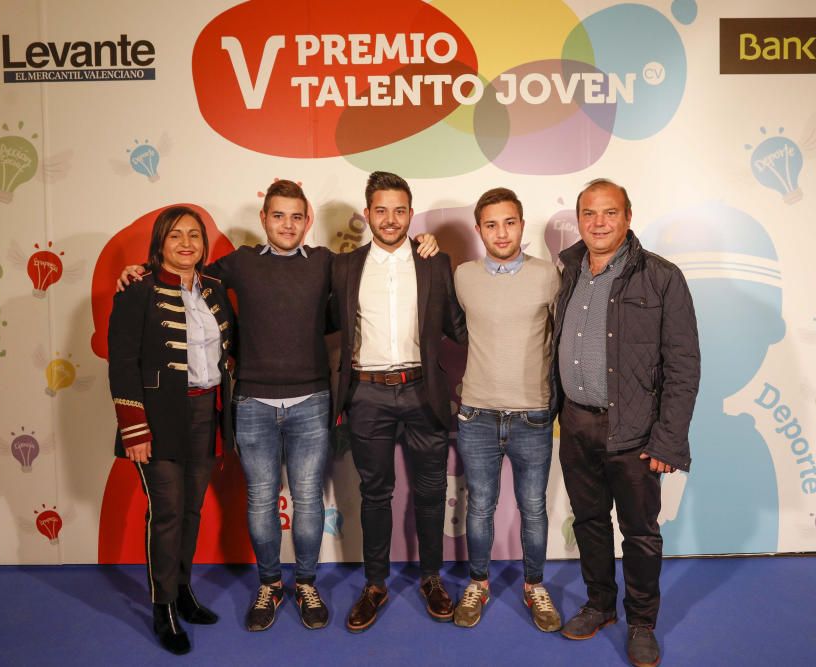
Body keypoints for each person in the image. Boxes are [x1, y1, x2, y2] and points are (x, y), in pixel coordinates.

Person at [116, 181, 439, 632]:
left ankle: (305, 582)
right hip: (251, 404)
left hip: (311, 401)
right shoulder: (239, 264)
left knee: (308, 500)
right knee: (261, 500)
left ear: (307, 222)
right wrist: (140, 272)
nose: (287, 224)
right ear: (263, 219)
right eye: (277, 216)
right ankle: (270, 583)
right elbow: (187, 275)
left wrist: (425, 242)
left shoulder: (328, 263)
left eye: (295, 216)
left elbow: (380, 260)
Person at [551, 179, 699, 667]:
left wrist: (668, 440)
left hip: (635, 433)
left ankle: (641, 622)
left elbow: (683, 366)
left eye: (609, 213)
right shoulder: (569, 269)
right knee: (590, 523)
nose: (598, 223)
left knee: (639, 533)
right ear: (579, 220)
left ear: (628, 217)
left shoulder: (661, 277)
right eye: (589, 214)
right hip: (575, 425)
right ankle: (599, 605)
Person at [331, 171, 467, 632]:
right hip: (366, 394)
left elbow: (459, 327)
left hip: (423, 390)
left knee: (430, 492)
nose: (391, 220)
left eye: (400, 210)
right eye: (381, 210)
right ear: (367, 213)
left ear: (412, 213)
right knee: (375, 494)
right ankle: (375, 584)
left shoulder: (435, 262)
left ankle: (431, 578)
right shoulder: (344, 267)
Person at [107, 206, 236, 655]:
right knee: (167, 512)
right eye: (176, 235)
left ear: (204, 245)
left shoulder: (215, 289)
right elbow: (122, 364)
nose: (186, 243)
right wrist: (134, 429)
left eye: (194, 236)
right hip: (158, 419)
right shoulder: (138, 289)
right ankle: (162, 607)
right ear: (160, 242)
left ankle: (183, 591)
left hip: (207, 413)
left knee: (192, 510)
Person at [450, 188, 562, 631]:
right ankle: (478, 582)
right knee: (480, 506)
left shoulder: (550, 275)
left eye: (509, 222)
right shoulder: (461, 276)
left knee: (533, 507)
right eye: (491, 224)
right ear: (479, 229)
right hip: (476, 413)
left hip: (533, 415)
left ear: (522, 224)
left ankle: (535, 585)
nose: (501, 232)